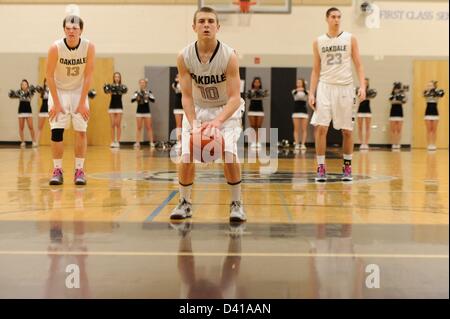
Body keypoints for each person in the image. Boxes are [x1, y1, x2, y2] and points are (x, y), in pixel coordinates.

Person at [170, 6, 247, 222]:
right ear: (194, 26)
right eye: (202, 21)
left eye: (211, 21)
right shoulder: (184, 56)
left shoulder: (229, 56)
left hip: (225, 109)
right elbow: (186, 95)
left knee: (230, 154)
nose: (206, 25)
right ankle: (184, 203)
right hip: (198, 107)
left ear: (218, 27)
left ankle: (236, 204)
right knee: (186, 156)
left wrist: (217, 121)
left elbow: (234, 97)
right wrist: (194, 123)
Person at [308, 7, 366, 182]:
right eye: (333, 17)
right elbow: (316, 70)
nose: (337, 20)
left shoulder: (350, 39)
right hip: (325, 86)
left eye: (339, 17)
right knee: (321, 128)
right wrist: (312, 92)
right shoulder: (318, 41)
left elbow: (359, 65)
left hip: (345, 87)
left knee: (347, 130)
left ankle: (347, 166)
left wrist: (362, 86)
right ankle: (320, 167)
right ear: (327, 19)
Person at [46, 15, 95, 185]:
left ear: (81, 30)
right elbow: (49, 76)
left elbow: (88, 75)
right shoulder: (55, 47)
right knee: (56, 130)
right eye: (68, 28)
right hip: (58, 90)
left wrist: (82, 102)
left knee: (81, 130)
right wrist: (57, 103)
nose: (71, 31)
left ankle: (79, 170)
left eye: (74, 28)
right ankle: (57, 169)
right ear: (64, 30)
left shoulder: (89, 47)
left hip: (78, 90)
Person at [8, 79, 37, 148]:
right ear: (21, 85)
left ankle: (34, 141)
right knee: (21, 127)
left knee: (31, 127)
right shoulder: (19, 92)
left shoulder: (30, 92)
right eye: (22, 84)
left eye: (25, 84)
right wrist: (12, 94)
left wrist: (29, 91)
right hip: (21, 110)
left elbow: (30, 97)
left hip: (28, 110)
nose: (24, 85)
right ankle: (22, 142)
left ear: (27, 85)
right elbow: (12, 96)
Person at [104, 72, 127, 148]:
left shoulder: (122, 87)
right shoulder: (111, 86)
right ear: (113, 78)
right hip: (112, 106)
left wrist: (117, 90)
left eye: (118, 77)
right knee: (112, 125)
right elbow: (107, 92)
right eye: (115, 77)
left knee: (118, 124)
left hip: (119, 106)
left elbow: (123, 91)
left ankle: (118, 141)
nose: (117, 78)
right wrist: (108, 89)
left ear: (120, 78)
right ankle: (113, 141)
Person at [131, 78, 155, 149]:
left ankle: (151, 142)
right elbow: (132, 100)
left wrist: (147, 97)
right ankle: (137, 142)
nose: (142, 84)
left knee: (149, 127)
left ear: (145, 84)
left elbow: (153, 100)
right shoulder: (136, 92)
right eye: (141, 82)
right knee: (139, 127)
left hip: (147, 112)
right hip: (139, 112)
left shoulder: (148, 92)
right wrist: (136, 98)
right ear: (139, 84)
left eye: (143, 82)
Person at [246, 77, 269, 149]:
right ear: (253, 83)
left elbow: (266, 95)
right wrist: (254, 93)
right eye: (255, 82)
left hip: (260, 110)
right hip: (251, 110)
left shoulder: (262, 91)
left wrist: (259, 92)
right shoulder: (250, 91)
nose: (256, 83)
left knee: (258, 126)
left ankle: (258, 141)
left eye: (258, 82)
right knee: (253, 126)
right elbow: (247, 96)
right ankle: (253, 141)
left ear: (260, 83)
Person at [423, 80, 445, 151]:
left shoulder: (437, 92)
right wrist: (430, 91)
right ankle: (429, 144)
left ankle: (433, 144)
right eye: (428, 85)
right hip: (428, 112)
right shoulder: (426, 92)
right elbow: (425, 95)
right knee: (429, 130)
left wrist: (435, 91)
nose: (429, 86)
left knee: (434, 130)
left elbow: (441, 94)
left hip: (435, 112)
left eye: (431, 85)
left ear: (434, 86)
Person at [356, 78, 377, 150]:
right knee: (360, 127)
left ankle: (366, 143)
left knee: (368, 127)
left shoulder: (370, 91)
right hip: (360, 110)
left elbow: (372, 96)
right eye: (364, 82)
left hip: (368, 110)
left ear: (368, 83)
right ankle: (361, 143)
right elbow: (359, 97)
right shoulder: (359, 90)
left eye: (366, 82)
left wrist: (367, 94)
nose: (365, 83)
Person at [388, 82, 407, 150]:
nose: (397, 90)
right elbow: (390, 101)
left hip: (400, 113)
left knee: (399, 129)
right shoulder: (392, 95)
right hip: (393, 113)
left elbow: (405, 101)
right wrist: (397, 100)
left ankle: (398, 143)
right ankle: (393, 143)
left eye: (398, 89)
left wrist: (403, 93)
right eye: (396, 89)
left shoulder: (402, 95)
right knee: (393, 130)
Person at [291, 78, 309, 151]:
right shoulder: (294, 91)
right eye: (297, 82)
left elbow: (307, 94)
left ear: (303, 83)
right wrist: (299, 89)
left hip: (304, 111)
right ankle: (297, 144)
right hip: (296, 111)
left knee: (304, 129)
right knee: (296, 129)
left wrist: (303, 89)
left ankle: (303, 144)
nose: (298, 83)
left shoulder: (307, 91)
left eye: (300, 82)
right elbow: (295, 93)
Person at [171, 73, 183, 149]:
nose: (178, 78)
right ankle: (179, 142)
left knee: (187, 125)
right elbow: (177, 88)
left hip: (186, 106)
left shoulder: (187, 83)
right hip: (178, 106)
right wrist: (178, 81)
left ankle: (187, 142)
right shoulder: (174, 84)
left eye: (180, 76)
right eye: (177, 76)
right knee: (178, 125)